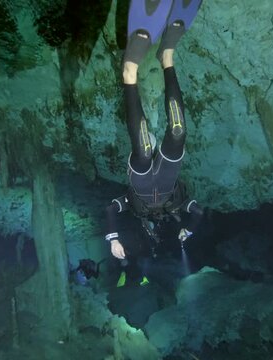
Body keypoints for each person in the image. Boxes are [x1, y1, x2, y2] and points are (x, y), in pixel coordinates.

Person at [104, 0, 204, 285]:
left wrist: (113, 239)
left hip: (142, 181)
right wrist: (190, 230)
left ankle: (129, 73)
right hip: (168, 179)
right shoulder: (179, 205)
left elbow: (110, 209)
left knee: (144, 151)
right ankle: (167, 55)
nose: (156, 224)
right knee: (178, 132)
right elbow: (198, 212)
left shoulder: (133, 206)